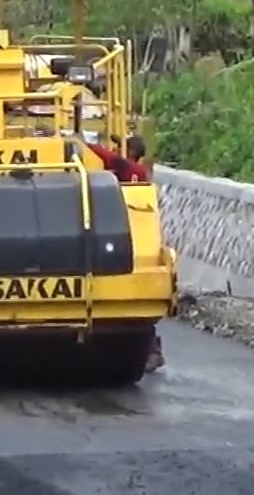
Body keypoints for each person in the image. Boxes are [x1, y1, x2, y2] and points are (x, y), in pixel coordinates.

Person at [82, 135, 164, 371]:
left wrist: (81, 143)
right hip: (134, 230)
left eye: (121, 146)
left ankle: (152, 349)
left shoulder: (124, 167)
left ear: (130, 151)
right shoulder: (141, 172)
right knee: (141, 312)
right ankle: (153, 348)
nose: (116, 148)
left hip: (119, 227)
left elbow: (106, 156)